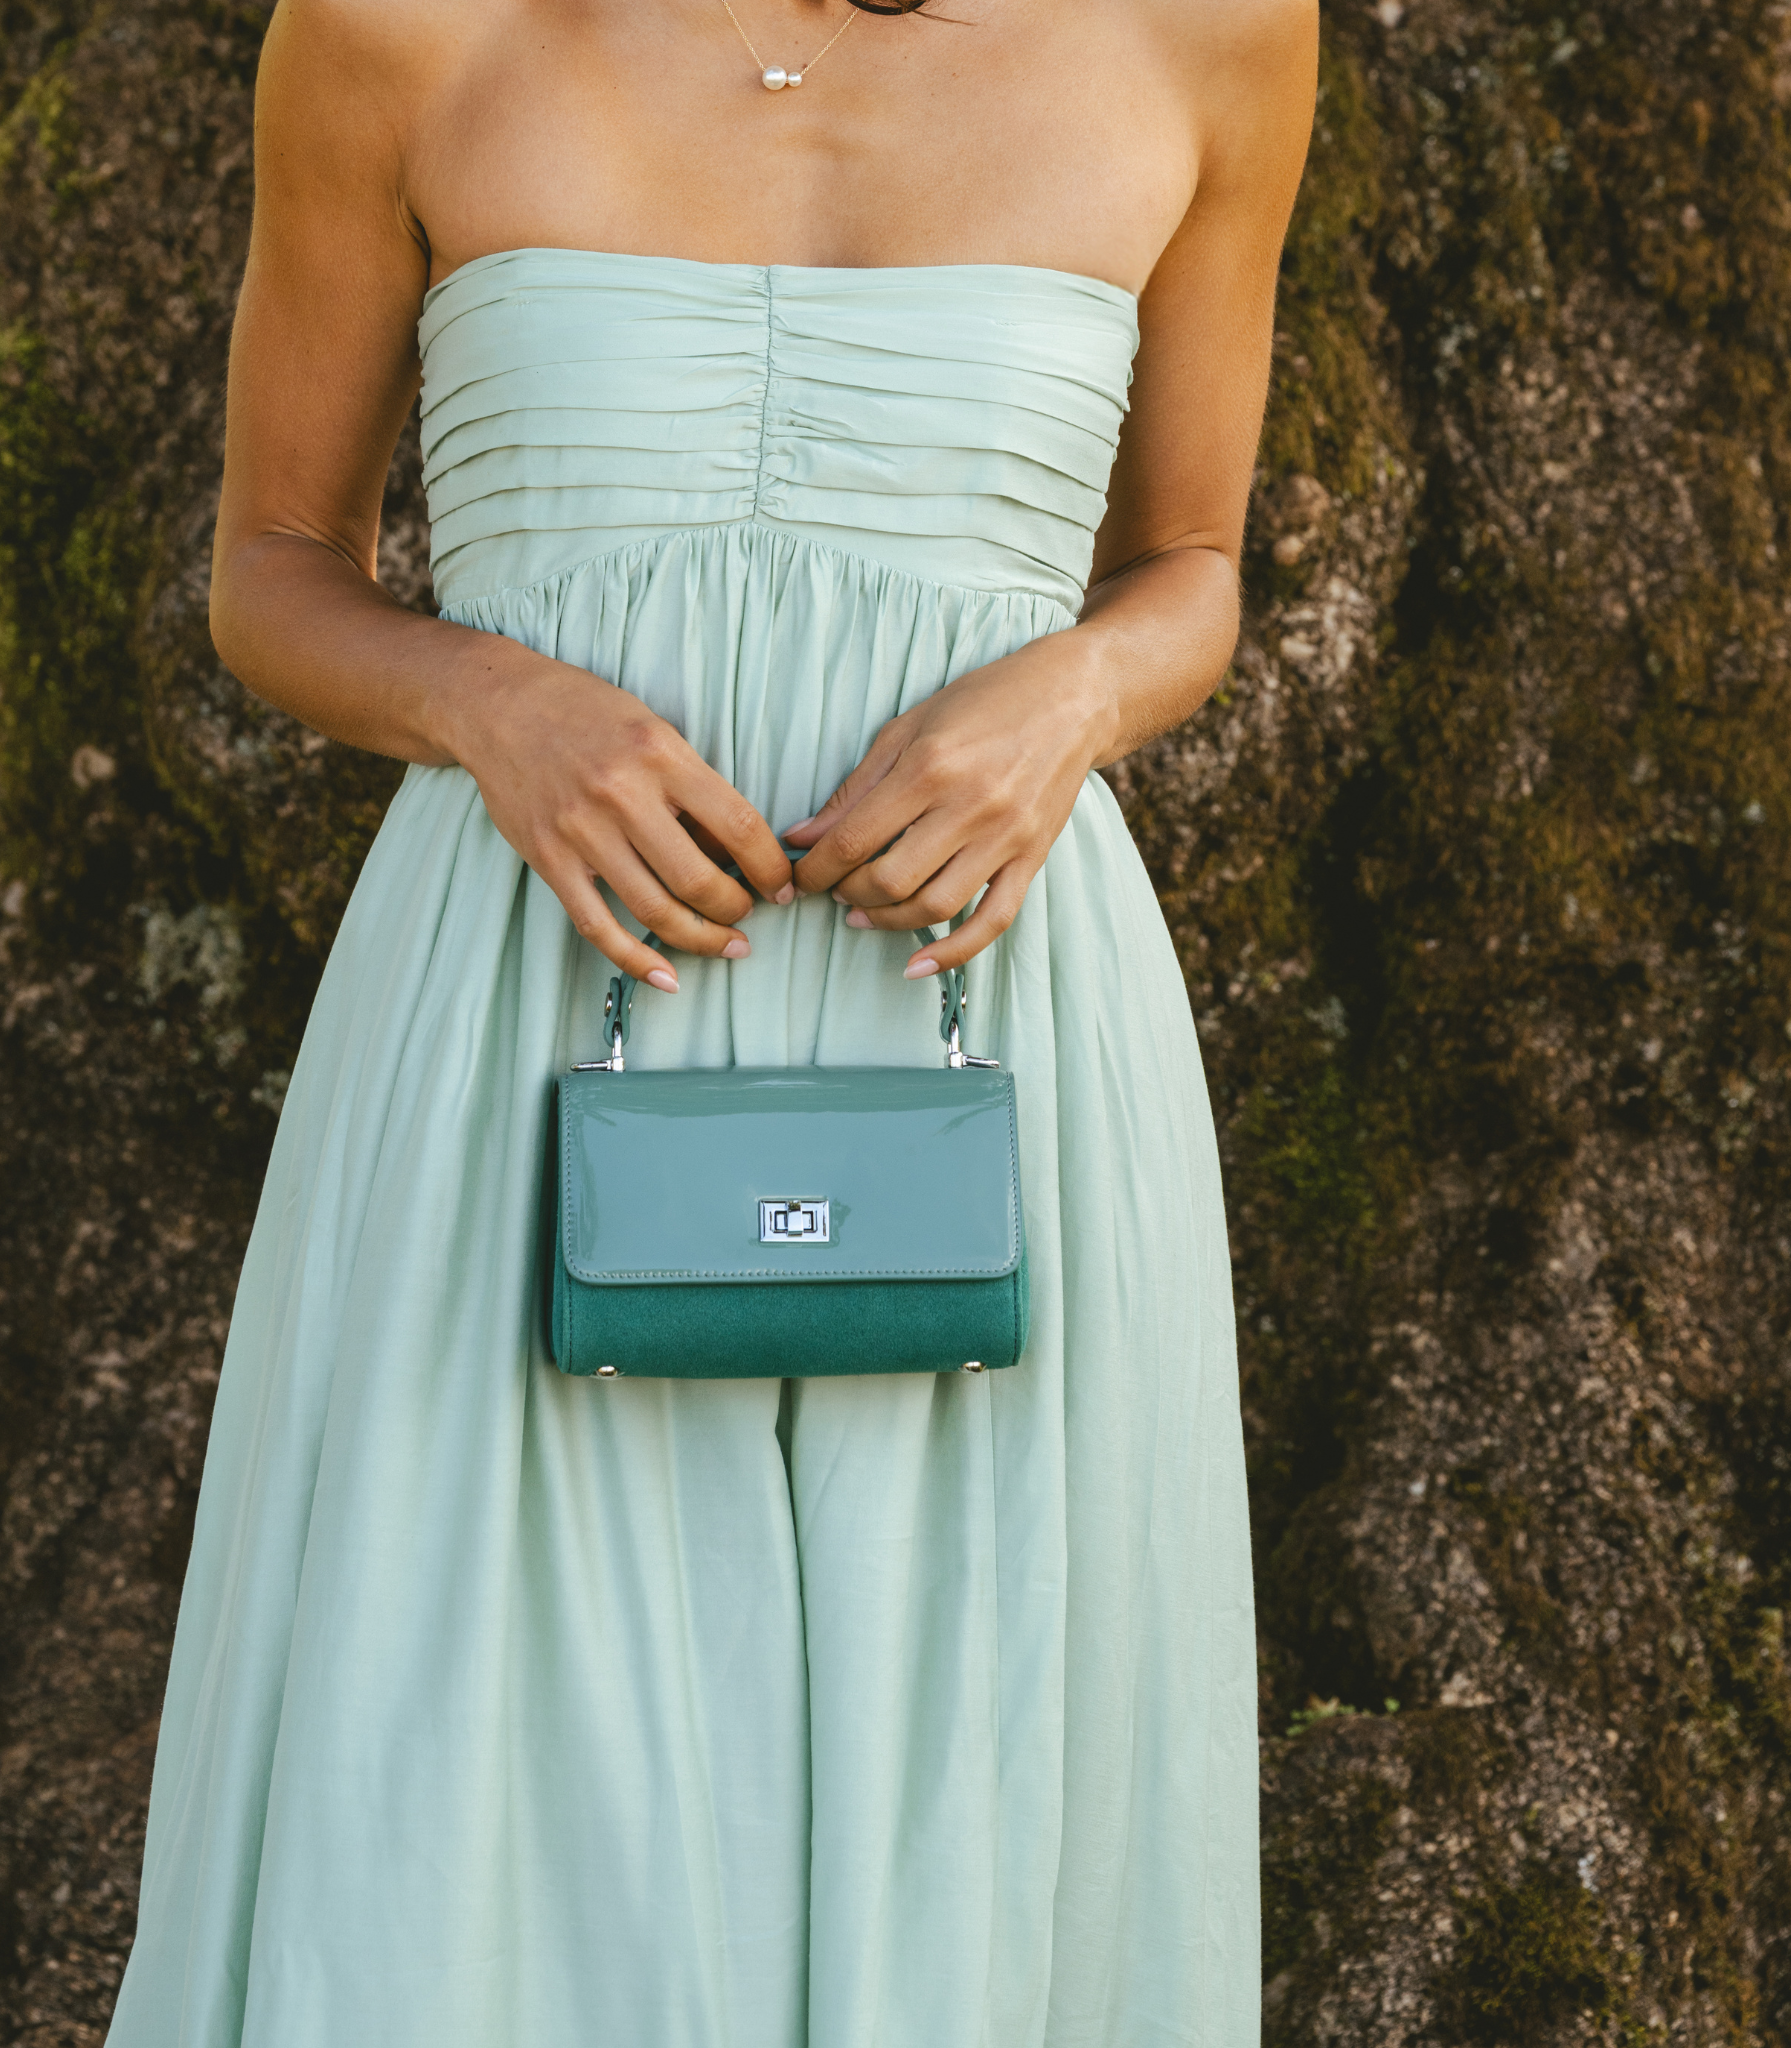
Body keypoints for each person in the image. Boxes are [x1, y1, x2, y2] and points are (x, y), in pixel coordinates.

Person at [104, 0, 1316, 2041]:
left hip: (984, 1006)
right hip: (527, 996)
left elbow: (1190, 563)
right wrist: (488, 701)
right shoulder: (402, 25)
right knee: (453, 1714)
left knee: (969, 1709)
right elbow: (274, 565)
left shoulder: (1204, 30)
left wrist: (1075, 699)